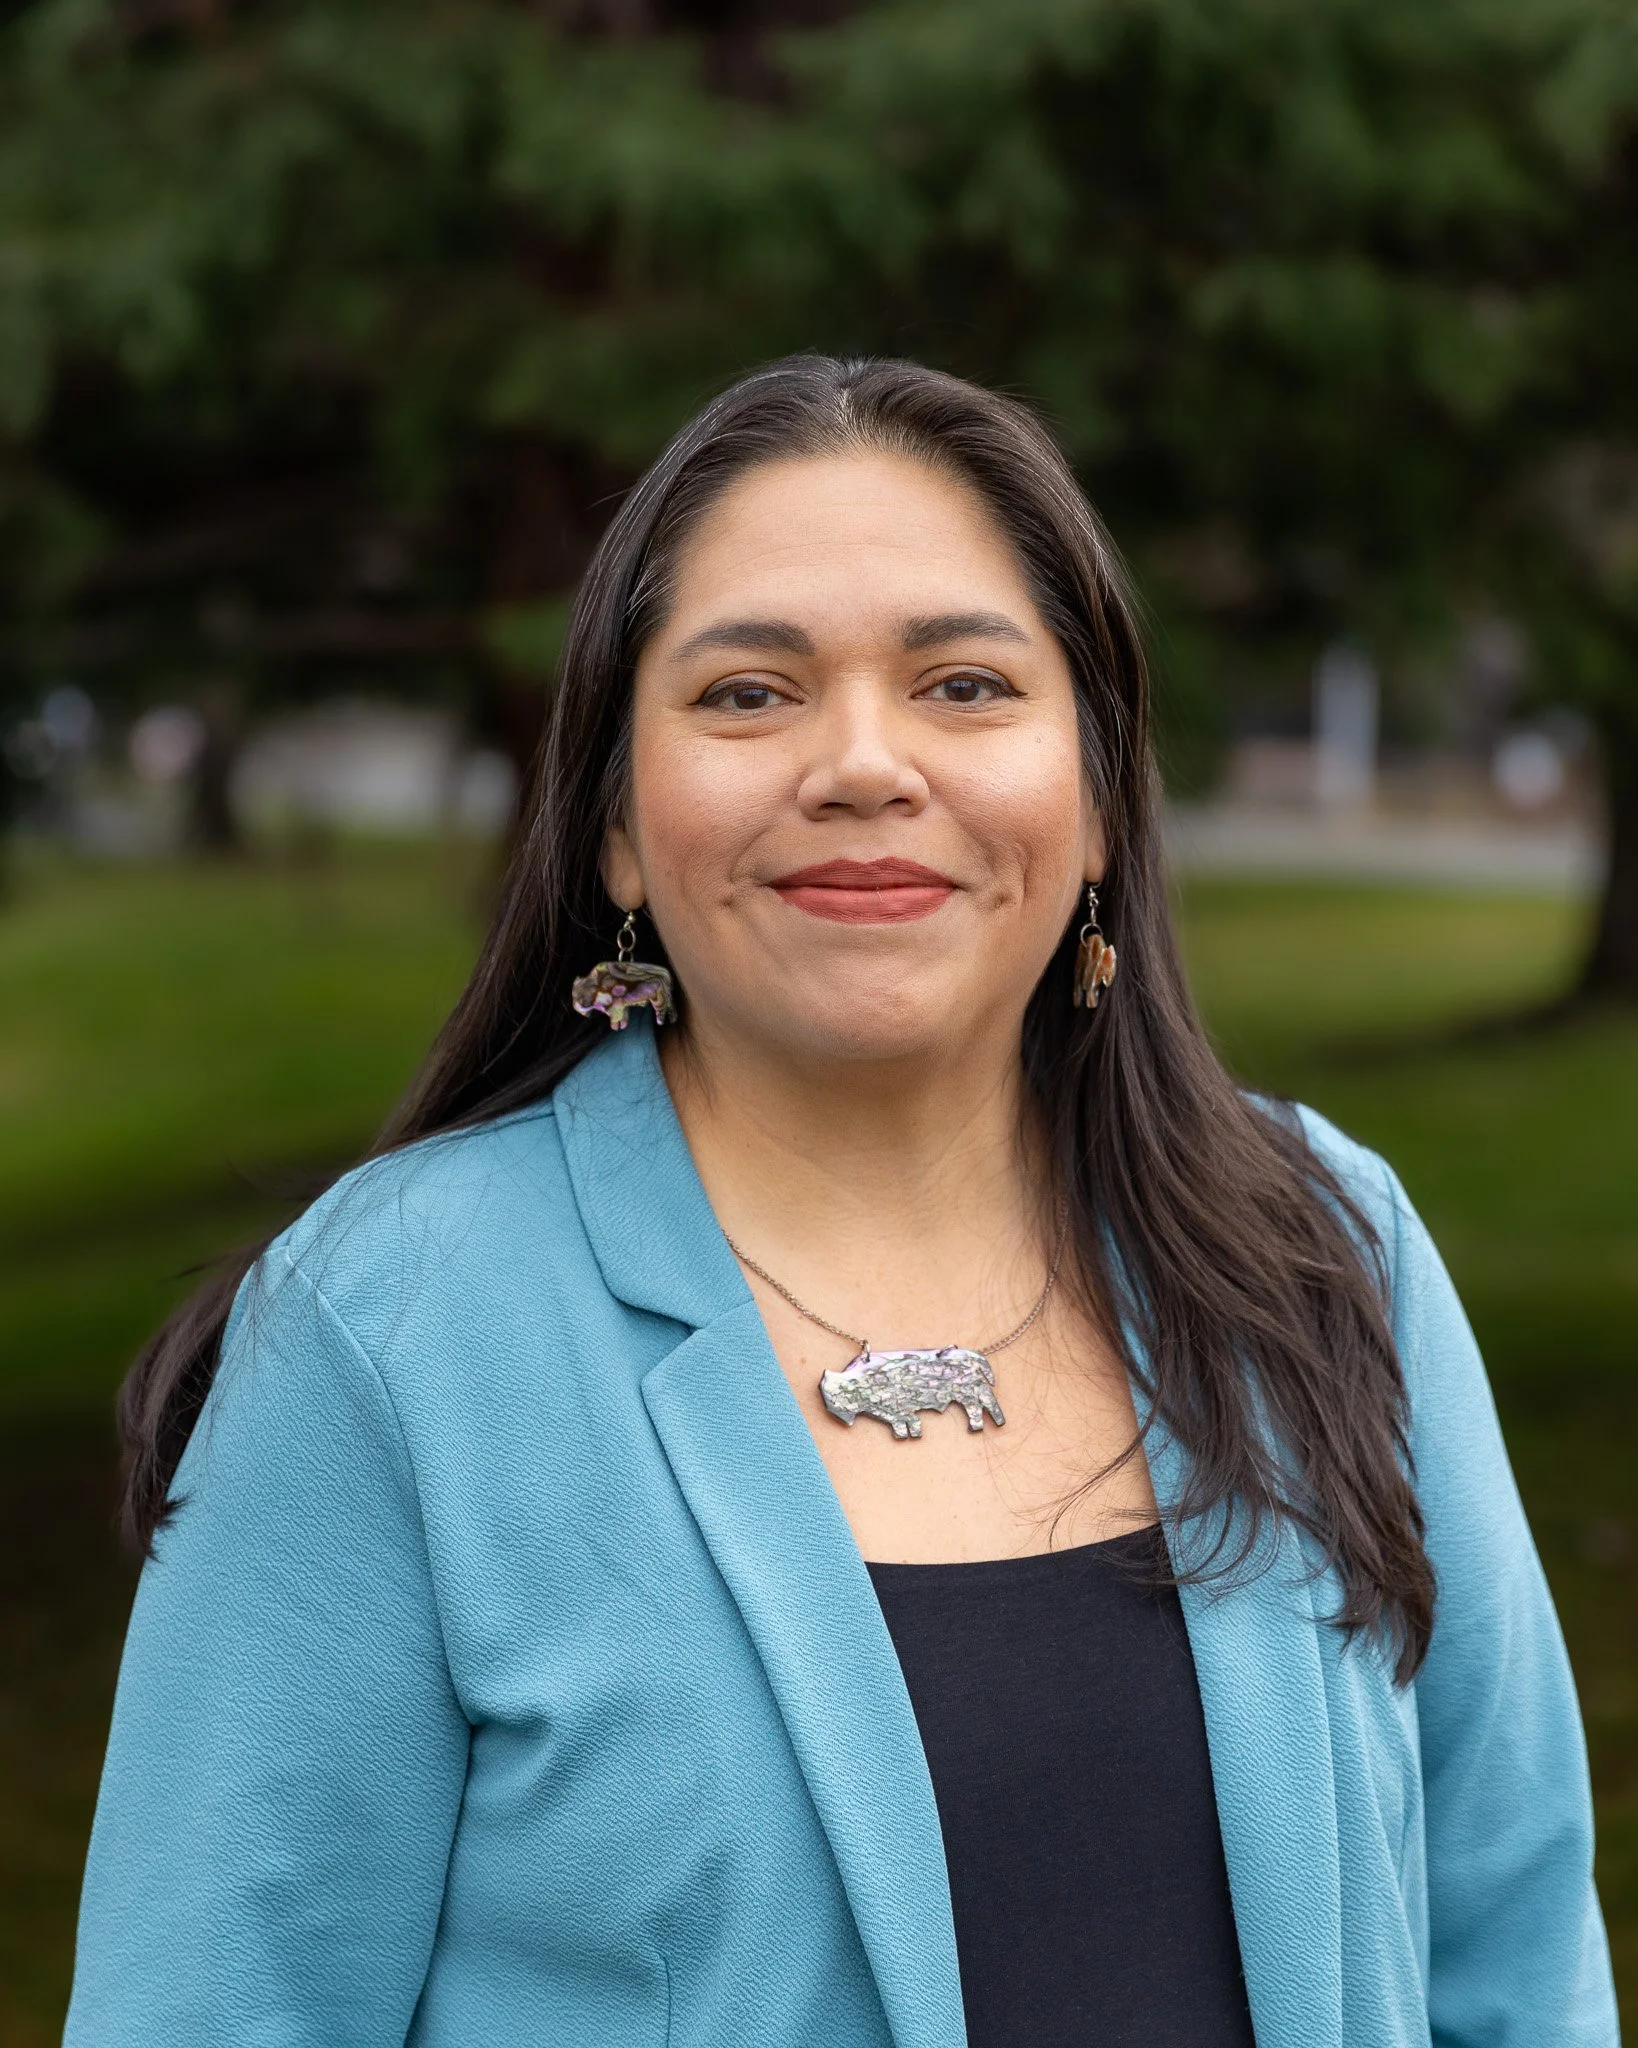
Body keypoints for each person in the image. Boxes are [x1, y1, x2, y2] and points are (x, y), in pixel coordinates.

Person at [69, 357, 1616, 2047]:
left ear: (1100, 800)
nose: (865, 764)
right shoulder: (388, 1333)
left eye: (964, 684)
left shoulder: (1324, 1248)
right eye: (748, 694)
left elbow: (1516, 1962)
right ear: (614, 830)